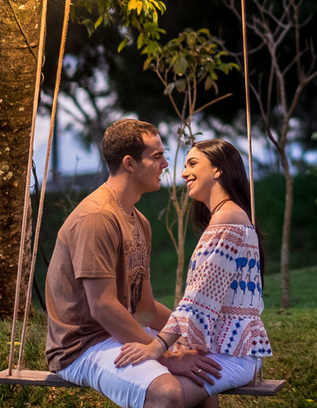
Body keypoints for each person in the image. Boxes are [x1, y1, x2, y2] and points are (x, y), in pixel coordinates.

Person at [45, 118, 224, 408]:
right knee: (167, 392)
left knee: (202, 373)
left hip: (116, 336)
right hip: (82, 347)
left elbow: (145, 308)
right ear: (129, 163)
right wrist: (163, 354)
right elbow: (103, 307)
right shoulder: (97, 218)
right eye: (157, 157)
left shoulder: (138, 221)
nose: (166, 165)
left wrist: (195, 334)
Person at [113, 138, 272, 408]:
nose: (184, 172)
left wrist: (157, 347)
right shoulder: (227, 216)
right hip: (225, 349)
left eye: (193, 164)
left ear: (219, 170)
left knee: (162, 397)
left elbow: (199, 298)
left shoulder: (227, 219)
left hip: (233, 354)